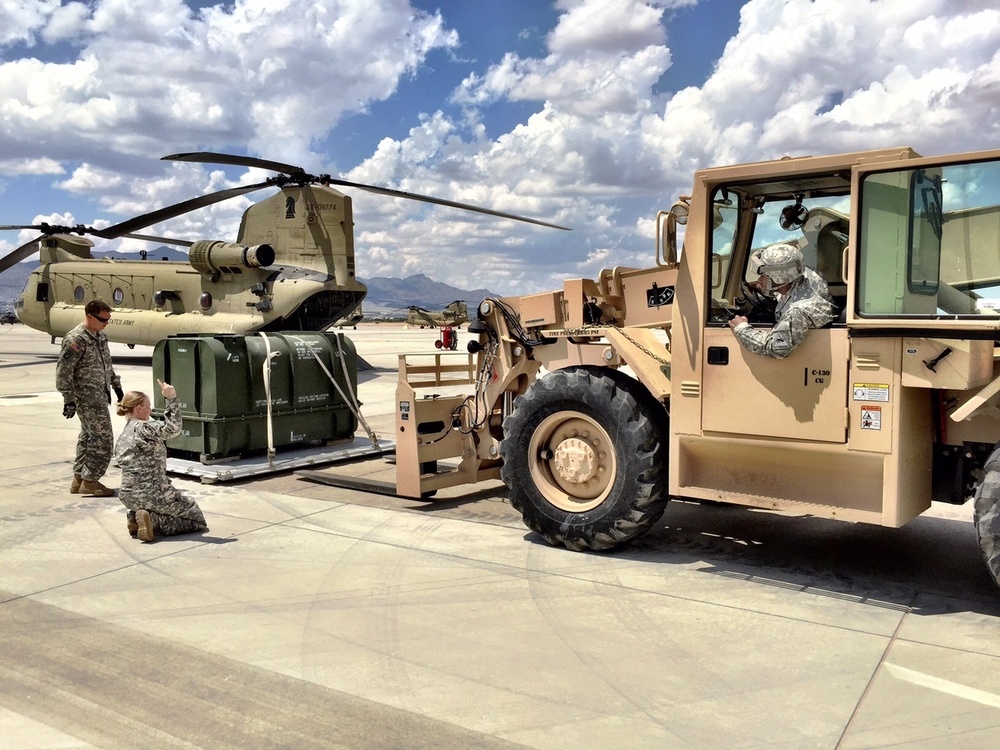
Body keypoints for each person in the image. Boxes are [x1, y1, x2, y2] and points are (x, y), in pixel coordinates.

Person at [114, 380, 208, 542]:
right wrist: (171, 398)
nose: (150, 410)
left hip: (128, 494)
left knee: (165, 506)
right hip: (155, 493)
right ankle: (153, 520)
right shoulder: (145, 427)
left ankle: (135, 516)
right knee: (195, 516)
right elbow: (173, 429)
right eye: (148, 406)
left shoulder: (124, 434)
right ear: (139, 409)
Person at [56, 300, 123, 496]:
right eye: (103, 319)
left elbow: (106, 364)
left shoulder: (100, 336)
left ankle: (79, 478)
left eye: (108, 319)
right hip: (86, 396)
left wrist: (116, 386)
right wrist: (68, 399)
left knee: (88, 436)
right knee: (103, 438)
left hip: (100, 393)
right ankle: (91, 480)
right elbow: (63, 371)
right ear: (90, 316)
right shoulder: (76, 339)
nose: (106, 323)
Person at [728, 242, 836, 359]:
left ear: (778, 279)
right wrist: (764, 287)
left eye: (763, 276)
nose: (759, 279)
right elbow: (787, 294)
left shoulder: (798, 311)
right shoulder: (806, 276)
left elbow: (777, 348)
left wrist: (742, 329)